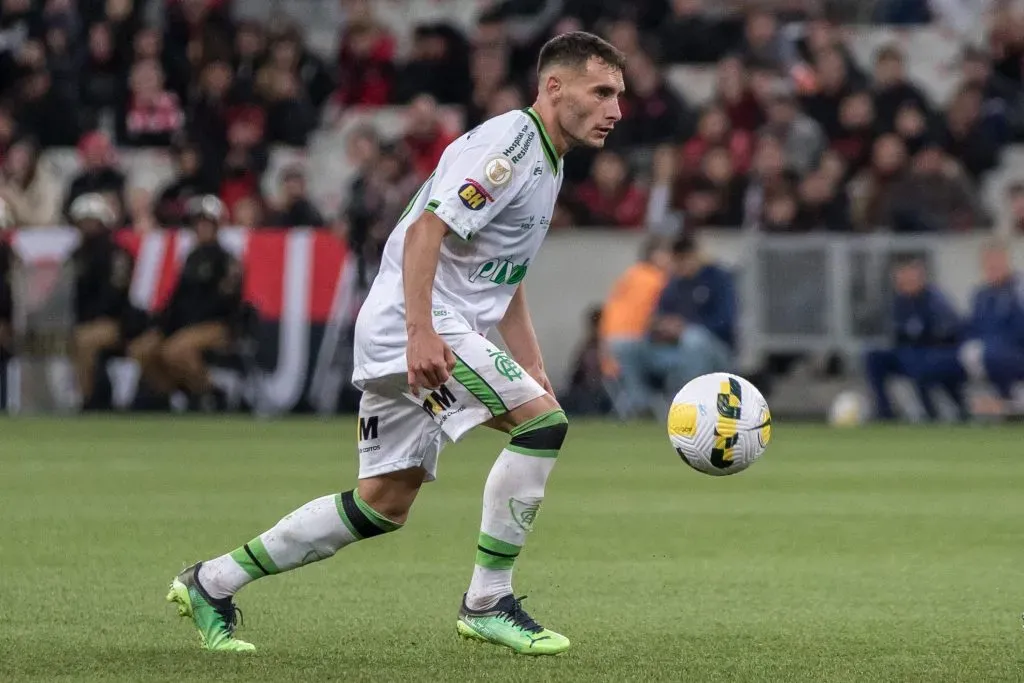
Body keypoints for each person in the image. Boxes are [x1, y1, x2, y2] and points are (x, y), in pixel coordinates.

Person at [167, 31, 627, 656]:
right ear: (554, 86)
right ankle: (488, 600)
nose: (615, 110)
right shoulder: (510, 144)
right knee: (542, 426)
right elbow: (425, 231)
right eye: (601, 92)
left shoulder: (549, 159)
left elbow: (505, 274)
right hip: (420, 322)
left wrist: (533, 364)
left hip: (424, 325)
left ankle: (211, 581)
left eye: (619, 96)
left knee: (381, 504)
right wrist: (420, 332)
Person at [128, 195, 242, 410]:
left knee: (175, 350)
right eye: (198, 222)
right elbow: (177, 299)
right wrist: (161, 325)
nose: (201, 227)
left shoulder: (227, 260)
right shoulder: (190, 258)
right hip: (184, 325)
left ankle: (208, 393)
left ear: (217, 226)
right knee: (141, 349)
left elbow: (224, 302)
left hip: (217, 325)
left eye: (207, 222)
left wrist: (184, 325)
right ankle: (168, 394)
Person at [614, 235, 736, 410]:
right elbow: (656, 318)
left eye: (685, 258)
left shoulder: (718, 278)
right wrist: (661, 326)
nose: (682, 264)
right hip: (674, 348)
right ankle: (641, 406)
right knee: (623, 345)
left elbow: (725, 322)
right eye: (678, 259)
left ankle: (688, 405)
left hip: (714, 351)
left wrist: (685, 327)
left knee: (693, 339)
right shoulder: (674, 283)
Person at [863, 256, 965, 421]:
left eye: (908, 274)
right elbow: (898, 335)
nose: (903, 280)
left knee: (918, 362)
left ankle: (931, 412)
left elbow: (948, 332)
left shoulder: (935, 301)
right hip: (907, 353)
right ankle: (884, 412)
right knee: (874, 357)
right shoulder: (899, 302)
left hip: (935, 354)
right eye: (900, 276)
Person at [67, 194, 134, 410]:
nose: (87, 226)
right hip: (82, 321)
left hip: (115, 322)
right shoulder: (75, 256)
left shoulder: (117, 255)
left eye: (92, 220)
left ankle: (87, 400)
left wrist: (90, 319)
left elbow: (114, 296)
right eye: (83, 221)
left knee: (84, 340)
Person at [959, 242, 1024, 415]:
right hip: (988, 353)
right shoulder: (981, 294)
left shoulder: (1018, 291)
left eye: (997, 262)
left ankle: (1010, 404)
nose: (993, 267)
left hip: (1014, 352)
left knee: (990, 355)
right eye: (989, 264)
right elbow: (971, 327)